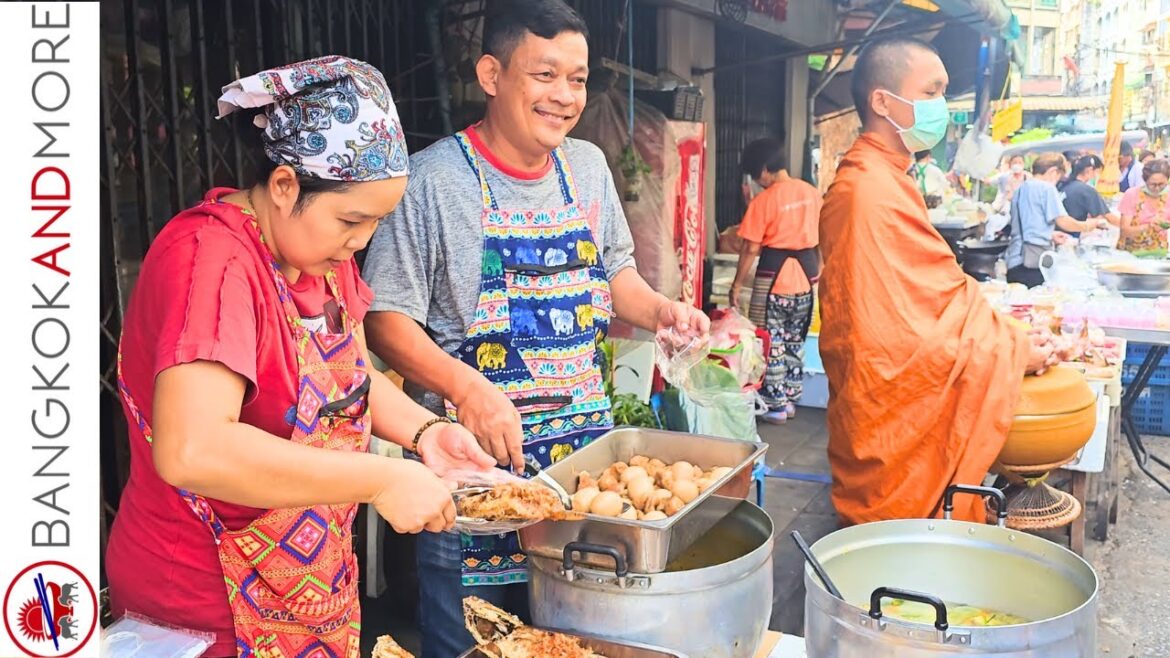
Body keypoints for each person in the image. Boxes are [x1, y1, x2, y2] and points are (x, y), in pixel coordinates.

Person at [106, 57, 498, 658]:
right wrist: (382, 477)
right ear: (286, 185)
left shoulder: (323, 258)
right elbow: (194, 448)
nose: (361, 241)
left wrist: (425, 433)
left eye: (376, 221)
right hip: (203, 603)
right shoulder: (211, 264)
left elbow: (350, 377)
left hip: (310, 584)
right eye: (351, 219)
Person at [359, 3, 710, 656]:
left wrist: (662, 310)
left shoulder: (587, 168)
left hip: (584, 487)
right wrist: (465, 387)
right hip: (476, 491)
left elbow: (616, 275)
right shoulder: (434, 182)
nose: (564, 96)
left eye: (577, 79)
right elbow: (382, 320)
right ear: (492, 74)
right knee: (476, 645)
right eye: (544, 74)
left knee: (573, 646)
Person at [817, 37, 1058, 526]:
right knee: (891, 554)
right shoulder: (866, 188)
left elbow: (933, 292)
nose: (942, 108)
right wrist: (1007, 350)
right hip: (882, 391)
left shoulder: (891, 177)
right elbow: (892, 333)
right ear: (883, 102)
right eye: (931, 92)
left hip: (890, 377)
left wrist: (1005, 337)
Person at [729, 138, 822, 424]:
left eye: (758, 174)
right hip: (807, 281)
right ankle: (791, 399)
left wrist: (737, 284)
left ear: (766, 169)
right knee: (796, 339)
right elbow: (826, 238)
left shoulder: (764, 201)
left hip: (774, 282)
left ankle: (775, 404)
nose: (758, 180)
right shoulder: (813, 194)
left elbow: (751, 248)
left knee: (772, 343)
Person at [1005, 153, 1104, 287]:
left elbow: (1026, 224)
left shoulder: (1021, 189)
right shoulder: (1046, 188)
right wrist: (1088, 225)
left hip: (1014, 261)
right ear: (1053, 171)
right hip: (1033, 262)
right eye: (1059, 177)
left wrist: (1050, 235)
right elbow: (1063, 221)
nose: (1057, 181)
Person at [1118, 157, 1170, 256]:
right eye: (1153, 184)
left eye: (1162, 184)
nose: (1157, 188)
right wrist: (1148, 227)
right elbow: (1124, 230)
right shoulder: (1132, 195)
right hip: (1131, 254)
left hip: (1159, 252)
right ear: (1145, 181)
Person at [1059, 154, 1118, 238]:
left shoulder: (1063, 186)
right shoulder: (1087, 190)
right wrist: (1125, 226)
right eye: (1098, 172)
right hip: (1072, 235)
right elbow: (1107, 216)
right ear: (1090, 170)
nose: (1097, 176)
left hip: (1057, 232)